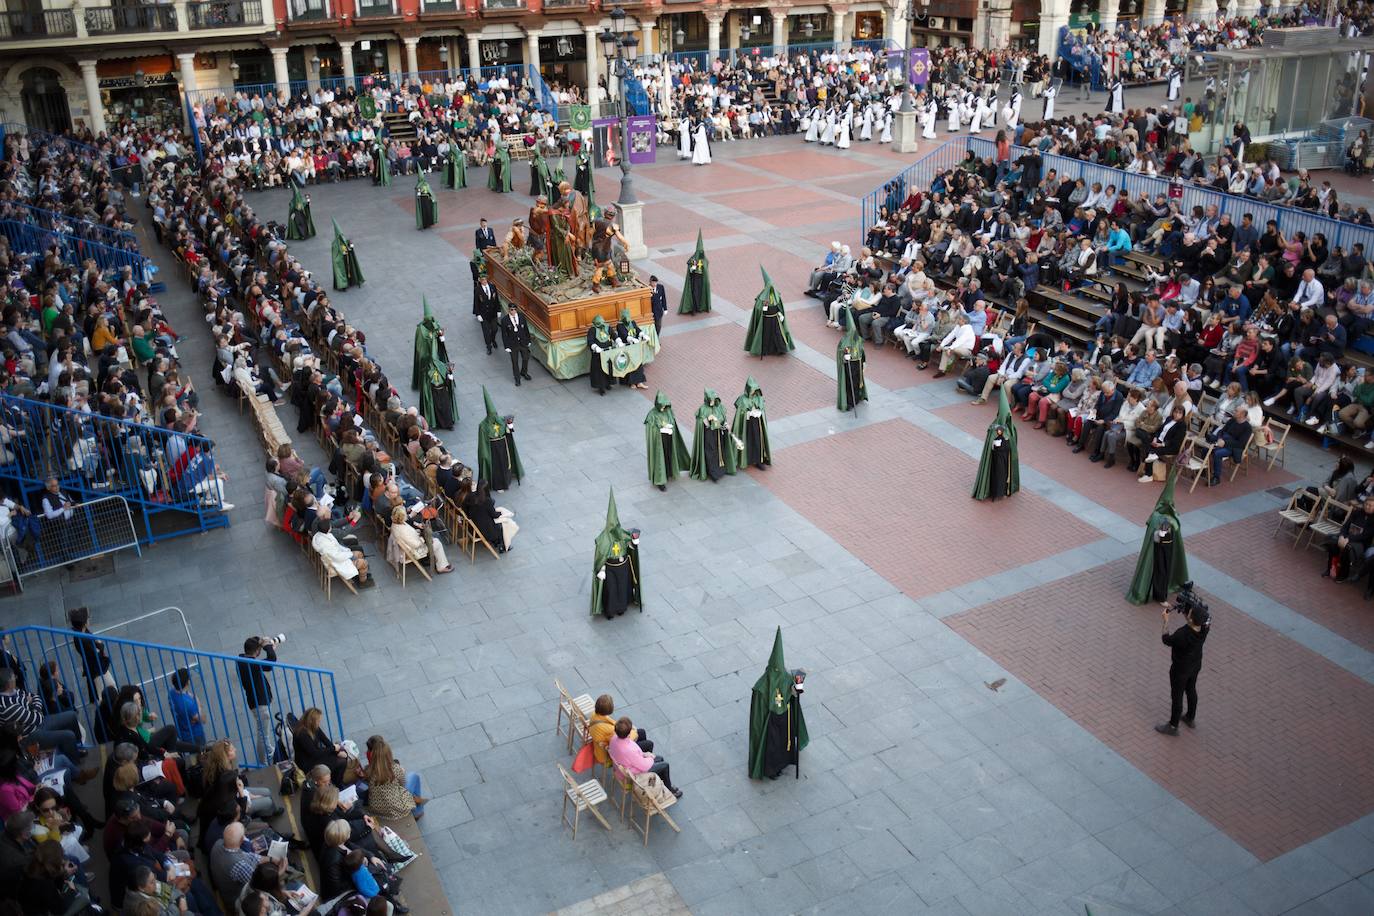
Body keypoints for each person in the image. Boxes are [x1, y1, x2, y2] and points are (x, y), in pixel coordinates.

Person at [747, 627, 808, 781]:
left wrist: (797, 688)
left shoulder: (786, 677)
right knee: (773, 747)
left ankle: (783, 763)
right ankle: (771, 770)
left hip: (784, 718)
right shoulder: (761, 686)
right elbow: (760, 708)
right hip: (771, 722)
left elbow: (793, 692)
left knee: (784, 743)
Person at [1128, 469, 1189, 605]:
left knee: (1162, 569)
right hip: (1162, 548)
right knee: (1161, 570)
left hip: (1162, 545)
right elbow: (1160, 539)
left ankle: (1162, 592)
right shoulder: (1164, 520)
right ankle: (1160, 596)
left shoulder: (1158, 513)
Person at [1156, 592, 1211, 736]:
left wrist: (1166, 620)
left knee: (1177, 696)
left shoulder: (1182, 634)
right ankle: (1190, 717)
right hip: (1195, 665)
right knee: (1191, 689)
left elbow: (1166, 639)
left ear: (1191, 618)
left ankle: (1173, 726)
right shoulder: (1204, 629)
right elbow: (1201, 618)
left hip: (1180, 670)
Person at [0, 667, 84, 762]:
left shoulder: (14, 691)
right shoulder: (8, 707)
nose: (16, 677)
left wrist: (32, 706)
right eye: (13, 677)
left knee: (71, 716)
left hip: (35, 723)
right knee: (69, 736)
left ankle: (75, 748)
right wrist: (32, 705)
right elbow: (37, 718)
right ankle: (75, 766)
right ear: (9, 684)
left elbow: (35, 697)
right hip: (30, 735)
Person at [591, 489, 641, 619]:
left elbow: (629, 546)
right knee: (611, 590)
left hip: (623, 567)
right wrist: (601, 569)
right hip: (610, 568)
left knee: (622, 588)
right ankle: (610, 610)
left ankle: (621, 607)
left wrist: (634, 542)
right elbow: (601, 557)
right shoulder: (603, 539)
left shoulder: (622, 534)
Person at [609, 716, 681, 797]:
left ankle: (661, 782)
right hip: (635, 774)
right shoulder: (629, 750)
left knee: (660, 759)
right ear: (629, 733)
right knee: (665, 765)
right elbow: (645, 766)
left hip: (623, 766)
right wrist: (650, 757)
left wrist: (644, 754)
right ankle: (669, 790)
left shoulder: (614, 738)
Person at [235, 636, 280, 766]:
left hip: (256, 702)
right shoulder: (252, 664)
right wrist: (268, 646)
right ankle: (264, 761)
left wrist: (267, 647)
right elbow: (272, 660)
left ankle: (269, 750)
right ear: (257, 651)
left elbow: (268, 667)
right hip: (261, 704)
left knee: (262, 732)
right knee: (263, 734)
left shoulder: (242, 660)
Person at [363, 735, 425, 821]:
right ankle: (418, 811)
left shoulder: (368, 770)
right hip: (396, 809)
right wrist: (402, 771)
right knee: (414, 776)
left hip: (376, 808)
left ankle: (417, 808)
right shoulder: (395, 769)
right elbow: (403, 784)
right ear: (388, 754)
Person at [973, 388, 1019, 501]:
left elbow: (1012, 444)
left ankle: (1003, 490)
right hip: (995, 458)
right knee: (995, 476)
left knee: (1002, 476)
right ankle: (993, 491)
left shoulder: (1011, 429)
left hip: (1004, 458)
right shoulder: (994, 427)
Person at [476, 386, 523, 492]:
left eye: (495, 414)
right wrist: (484, 455)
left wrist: (510, 425)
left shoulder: (501, 420)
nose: (494, 416)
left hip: (503, 445)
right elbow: (483, 442)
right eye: (492, 415)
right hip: (492, 449)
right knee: (496, 466)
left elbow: (507, 431)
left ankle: (507, 478)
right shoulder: (483, 426)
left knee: (506, 463)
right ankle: (499, 484)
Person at [644, 391, 690, 492]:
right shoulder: (652, 415)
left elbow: (672, 421)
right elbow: (650, 429)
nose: (663, 409)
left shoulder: (668, 411)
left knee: (669, 456)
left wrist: (670, 426)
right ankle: (660, 481)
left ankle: (669, 472)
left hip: (669, 438)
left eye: (664, 406)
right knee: (660, 458)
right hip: (659, 441)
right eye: (661, 406)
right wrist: (660, 429)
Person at [744, 268, 795, 356]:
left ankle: (780, 349)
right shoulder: (761, 298)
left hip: (775, 320)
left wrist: (780, 314)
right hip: (766, 320)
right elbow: (759, 310)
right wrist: (765, 306)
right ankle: (765, 350)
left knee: (778, 335)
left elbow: (779, 307)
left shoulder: (776, 295)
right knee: (766, 336)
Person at [689, 389, 737, 482]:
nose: (712, 402)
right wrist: (707, 419)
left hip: (719, 433)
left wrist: (726, 424)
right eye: (710, 400)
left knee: (719, 451)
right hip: (709, 434)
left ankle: (720, 470)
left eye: (714, 400)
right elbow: (701, 423)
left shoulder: (719, 407)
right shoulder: (703, 409)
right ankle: (713, 472)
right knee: (711, 452)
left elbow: (723, 419)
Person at [731, 376, 771, 471]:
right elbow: (740, 414)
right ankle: (745, 459)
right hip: (746, 425)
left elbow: (762, 409)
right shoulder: (742, 400)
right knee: (746, 440)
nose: (753, 392)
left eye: (755, 390)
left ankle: (759, 461)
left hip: (757, 424)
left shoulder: (759, 398)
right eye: (752, 390)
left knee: (758, 441)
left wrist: (758, 412)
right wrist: (749, 413)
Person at [166, 668, 206, 748]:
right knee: (201, 753)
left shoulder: (171, 693)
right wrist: (198, 704)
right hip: (194, 735)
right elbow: (203, 720)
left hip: (181, 730)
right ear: (187, 682)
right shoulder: (190, 704)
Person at [836, 311, 868, 411]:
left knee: (857, 382)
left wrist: (864, 363)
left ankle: (857, 398)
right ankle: (850, 401)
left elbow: (862, 352)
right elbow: (840, 351)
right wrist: (844, 356)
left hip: (857, 365)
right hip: (848, 365)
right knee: (849, 383)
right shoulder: (843, 341)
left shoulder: (858, 340)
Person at [500, 302, 532, 386]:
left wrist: (528, 340)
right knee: (515, 362)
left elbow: (526, 329)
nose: (513, 311)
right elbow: (504, 334)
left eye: (514, 309)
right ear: (509, 310)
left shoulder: (521, 317)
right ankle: (517, 378)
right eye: (511, 310)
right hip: (513, 344)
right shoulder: (505, 320)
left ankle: (524, 372)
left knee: (526, 358)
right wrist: (506, 346)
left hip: (523, 342)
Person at [679, 231, 711, 314]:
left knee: (700, 294)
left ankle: (701, 307)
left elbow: (706, 268)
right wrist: (693, 266)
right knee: (694, 294)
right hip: (694, 279)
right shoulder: (693, 259)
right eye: (699, 251)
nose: (700, 253)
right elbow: (690, 269)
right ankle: (694, 309)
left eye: (701, 251)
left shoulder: (704, 259)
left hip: (701, 280)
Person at [330, 219, 365, 291]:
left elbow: (349, 246)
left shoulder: (345, 240)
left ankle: (351, 281)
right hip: (341, 261)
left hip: (347, 258)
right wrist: (341, 253)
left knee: (349, 270)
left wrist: (350, 245)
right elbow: (335, 255)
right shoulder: (335, 244)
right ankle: (343, 285)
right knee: (342, 272)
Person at [586, 315, 615, 396]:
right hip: (598, 355)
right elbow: (590, 341)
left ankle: (608, 383)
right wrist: (595, 347)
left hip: (608, 352)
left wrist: (618, 340)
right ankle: (601, 387)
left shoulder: (608, 327)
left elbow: (613, 335)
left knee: (608, 368)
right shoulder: (592, 330)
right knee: (599, 371)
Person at [473, 271, 501, 356]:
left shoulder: (492, 287)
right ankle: (488, 346)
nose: (484, 282)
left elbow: (496, 300)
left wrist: (498, 310)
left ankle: (492, 339)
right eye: (482, 280)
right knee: (486, 332)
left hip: (492, 313)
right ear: (480, 281)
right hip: (483, 314)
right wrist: (478, 314)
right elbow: (476, 302)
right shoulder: (477, 289)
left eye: (485, 280)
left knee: (495, 329)